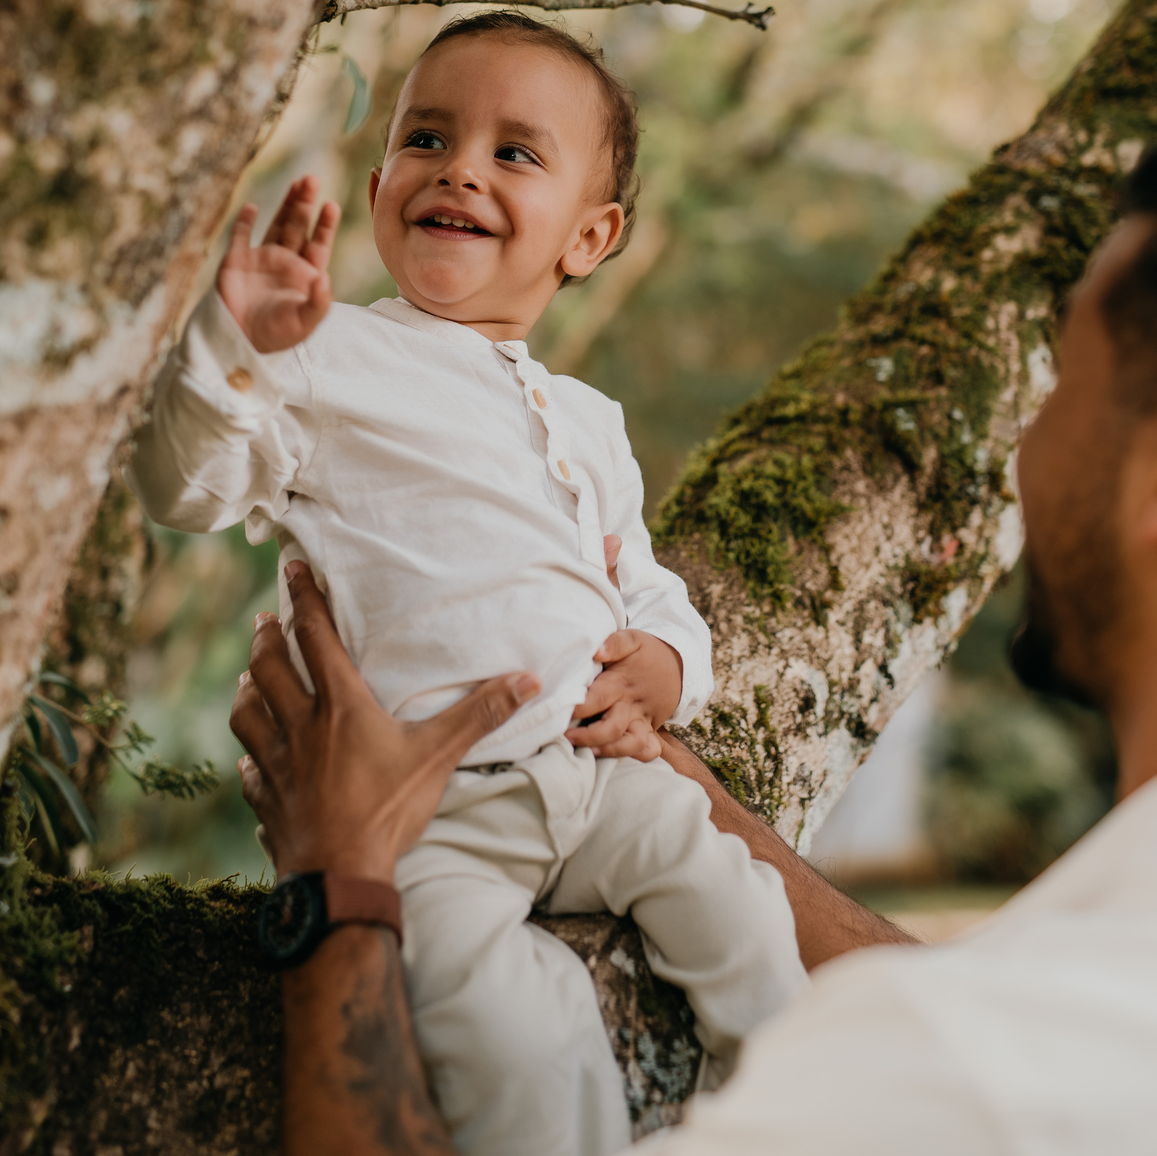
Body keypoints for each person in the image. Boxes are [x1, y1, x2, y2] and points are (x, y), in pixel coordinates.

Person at [232, 160, 1157, 1155]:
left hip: (540, 810)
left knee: (676, 956)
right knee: (531, 1015)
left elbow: (957, 1038)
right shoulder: (1081, 980)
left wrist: (334, 887)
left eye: (1059, 379)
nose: (1019, 444)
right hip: (502, 802)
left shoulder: (940, 1077)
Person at [128, 12, 807, 1156]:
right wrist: (233, 344)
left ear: (588, 236)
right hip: (426, 809)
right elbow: (183, 485)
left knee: (750, 930)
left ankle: (803, 1116)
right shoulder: (326, 350)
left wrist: (666, 667)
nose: (460, 169)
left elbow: (644, 583)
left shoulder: (591, 421)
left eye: (514, 152)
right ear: (384, 171)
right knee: (509, 1042)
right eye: (427, 136)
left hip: (604, 780)